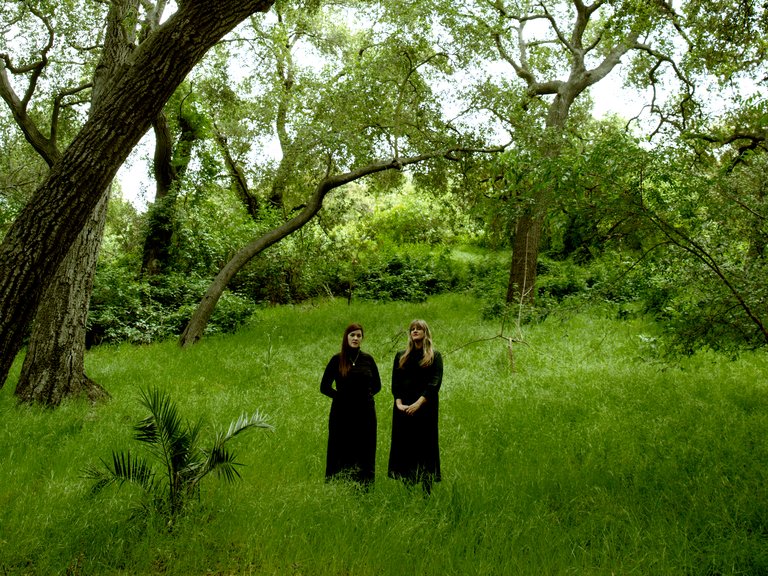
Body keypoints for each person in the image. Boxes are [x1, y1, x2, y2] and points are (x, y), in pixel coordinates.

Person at [320, 323, 381, 487]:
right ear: (346, 337)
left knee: (365, 448)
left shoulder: (368, 359)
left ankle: (364, 486)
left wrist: (363, 398)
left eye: (359, 335)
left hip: (365, 413)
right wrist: (342, 398)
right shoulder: (336, 359)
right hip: (342, 413)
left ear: (362, 338)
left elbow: (377, 386)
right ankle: (338, 485)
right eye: (352, 335)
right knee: (340, 448)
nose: (355, 338)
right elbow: (324, 387)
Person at [387, 319, 443, 494]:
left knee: (426, 446)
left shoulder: (434, 356)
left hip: (426, 408)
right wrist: (399, 403)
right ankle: (408, 488)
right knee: (405, 446)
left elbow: (435, 383)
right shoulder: (401, 356)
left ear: (425, 333)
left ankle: (427, 490)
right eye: (412, 329)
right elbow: (395, 382)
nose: (415, 331)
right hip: (404, 409)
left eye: (419, 329)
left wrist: (418, 403)